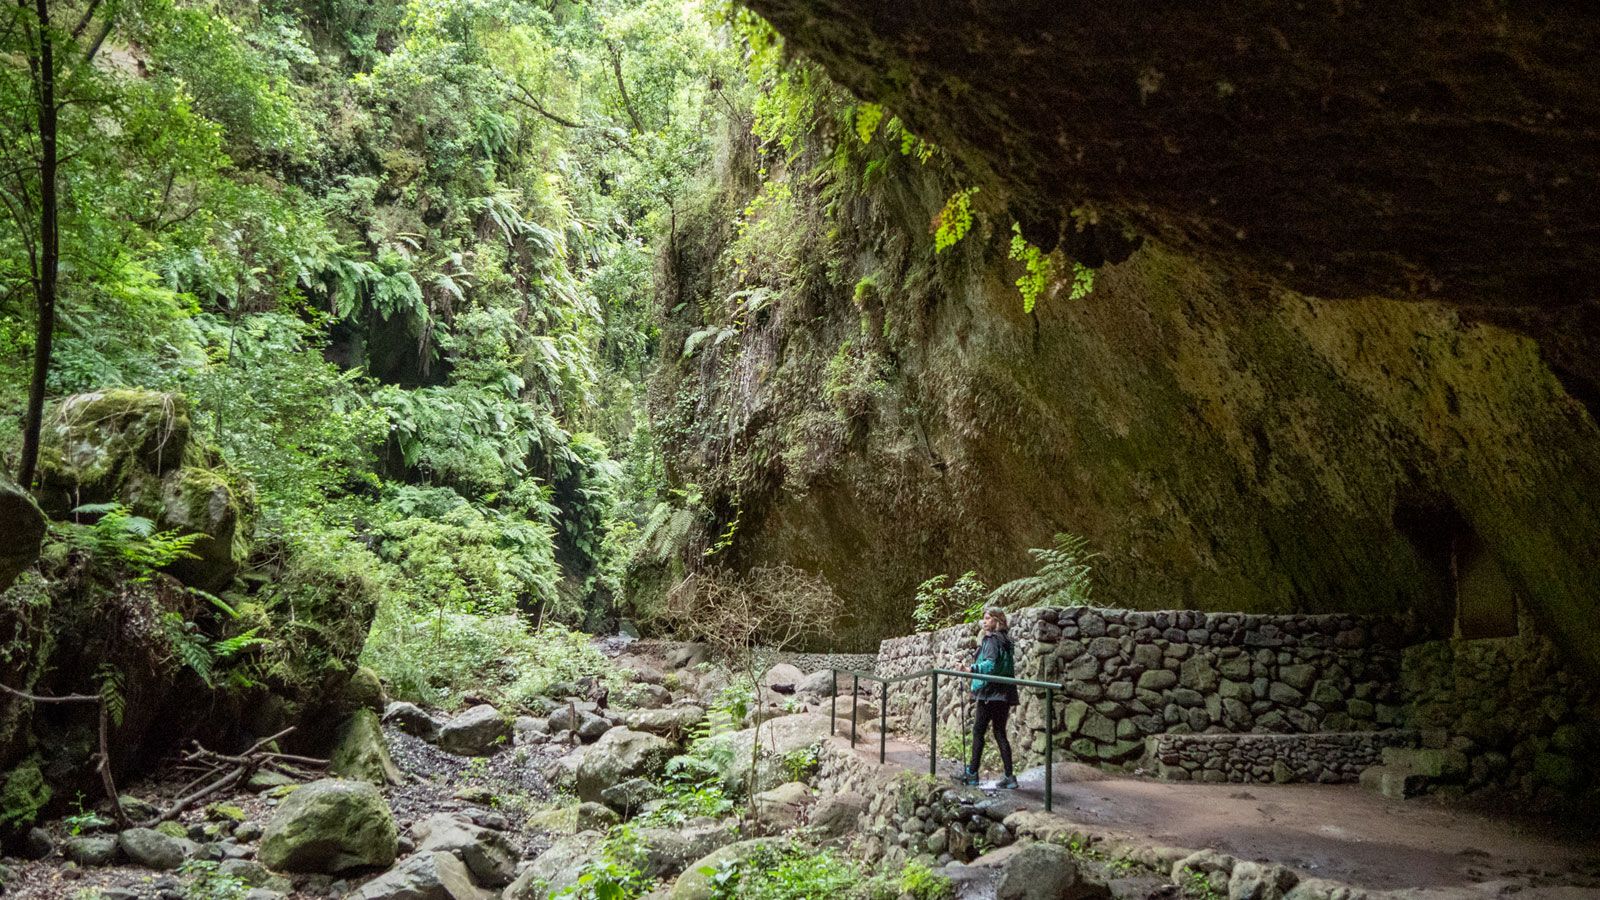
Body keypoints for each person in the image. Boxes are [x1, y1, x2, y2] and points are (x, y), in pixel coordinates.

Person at [962, 607, 1019, 788]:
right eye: (984, 619)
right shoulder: (1006, 640)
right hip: (1004, 693)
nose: (984, 622)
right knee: (999, 732)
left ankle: (972, 774)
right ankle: (1010, 777)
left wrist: (971, 669)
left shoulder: (992, 639)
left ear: (997, 621)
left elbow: (991, 664)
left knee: (978, 731)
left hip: (990, 692)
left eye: (987, 618)